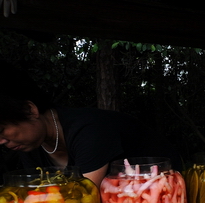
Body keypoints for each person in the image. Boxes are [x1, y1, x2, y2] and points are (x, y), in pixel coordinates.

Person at [0, 61, 176, 187]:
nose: (1, 141)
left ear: (30, 110)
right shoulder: (29, 146)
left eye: (1, 130)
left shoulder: (90, 130)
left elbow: (83, 202)